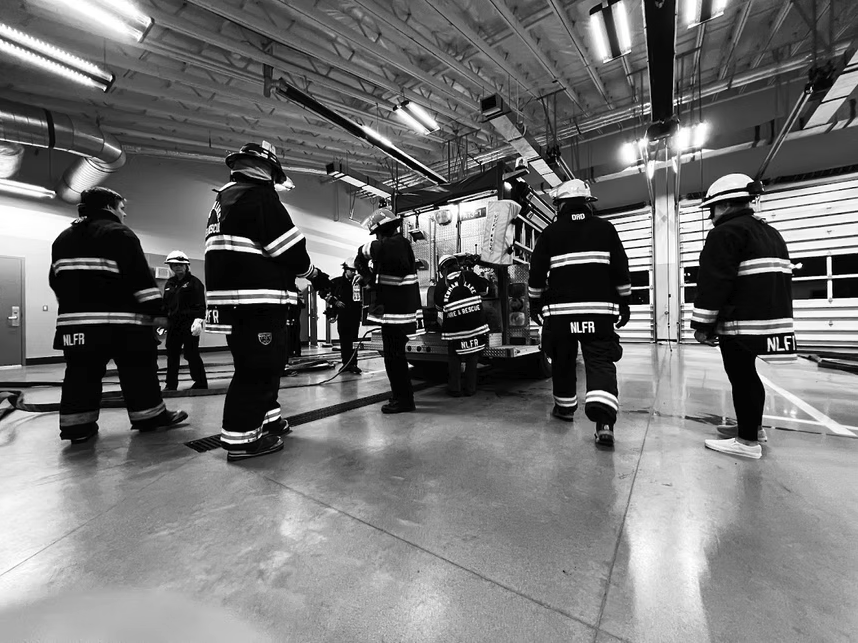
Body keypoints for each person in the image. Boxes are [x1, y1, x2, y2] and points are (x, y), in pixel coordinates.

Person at [204, 141, 330, 462]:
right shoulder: (260, 198)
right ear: (268, 171)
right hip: (256, 303)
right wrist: (316, 276)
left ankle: (268, 417)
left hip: (237, 303)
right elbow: (291, 250)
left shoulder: (225, 200)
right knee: (256, 369)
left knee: (266, 363)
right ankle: (242, 441)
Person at [49, 186, 188, 444]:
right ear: (109, 207)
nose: (124, 213)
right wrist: (158, 318)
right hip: (121, 326)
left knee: (80, 375)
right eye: (122, 208)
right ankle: (149, 417)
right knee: (139, 372)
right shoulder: (119, 234)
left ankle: (77, 427)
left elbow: (56, 281)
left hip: (75, 327)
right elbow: (141, 283)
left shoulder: (63, 238)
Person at [692, 173, 796, 460]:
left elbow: (715, 283)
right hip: (769, 318)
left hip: (741, 322)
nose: (711, 215)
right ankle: (754, 428)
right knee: (749, 375)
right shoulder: (769, 232)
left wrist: (702, 325)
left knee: (742, 377)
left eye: (712, 208)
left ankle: (747, 442)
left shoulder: (725, 233)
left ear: (724, 205)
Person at [528, 179, 632, 447]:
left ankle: (564, 409)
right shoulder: (606, 229)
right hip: (599, 313)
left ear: (560, 204)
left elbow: (537, 274)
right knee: (599, 362)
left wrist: (535, 305)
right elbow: (621, 268)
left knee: (563, 360)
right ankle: (604, 424)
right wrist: (624, 302)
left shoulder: (550, 234)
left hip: (561, 315)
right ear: (588, 202)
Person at [354, 207, 423, 414]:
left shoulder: (396, 244)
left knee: (395, 360)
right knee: (395, 359)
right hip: (394, 314)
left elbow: (374, 250)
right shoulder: (395, 247)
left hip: (397, 316)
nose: (376, 237)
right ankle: (401, 397)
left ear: (382, 230)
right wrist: (368, 277)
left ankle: (404, 401)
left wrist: (362, 255)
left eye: (376, 233)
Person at [433, 254, 490, 397]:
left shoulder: (441, 284)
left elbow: (439, 306)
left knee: (454, 357)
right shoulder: (469, 276)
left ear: (443, 269)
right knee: (472, 357)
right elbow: (485, 290)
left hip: (454, 330)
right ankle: (470, 389)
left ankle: (455, 389)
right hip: (475, 326)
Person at [162, 250, 208, 391]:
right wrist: (162, 322)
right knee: (172, 354)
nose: (177, 267)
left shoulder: (195, 283)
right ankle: (171, 385)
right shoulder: (170, 283)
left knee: (191, 354)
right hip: (173, 324)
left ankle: (200, 383)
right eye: (174, 265)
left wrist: (199, 320)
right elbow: (165, 305)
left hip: (189, 324)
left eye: (180, 264)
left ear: (186, 266)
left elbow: (201, 304)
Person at [326, 262, 364, 374]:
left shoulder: (358, 282)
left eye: (355, 271)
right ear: (345, 269)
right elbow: (323, 292)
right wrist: (335, 302)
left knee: (354, 340)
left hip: (355, 316)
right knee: (344, 340)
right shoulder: (337, 282)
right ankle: (346, 364)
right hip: (343, 316)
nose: (353, 272)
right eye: (351, 270)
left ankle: (353, 364)